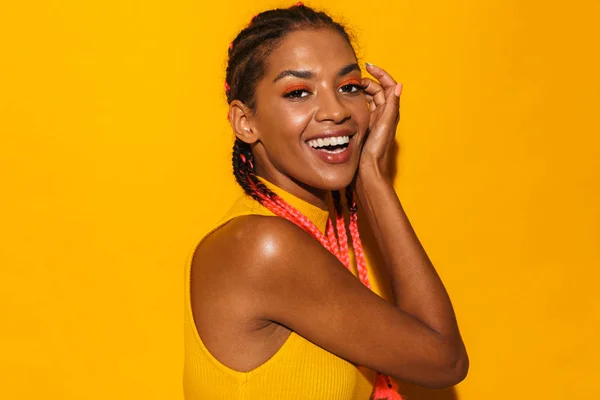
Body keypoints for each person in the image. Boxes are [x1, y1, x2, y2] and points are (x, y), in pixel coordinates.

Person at [183, 3, 469, 399]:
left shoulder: (314, 232)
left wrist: (370, 172)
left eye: (348, 87)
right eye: (298, 92)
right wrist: (374, 179)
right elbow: (445, 360)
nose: (335, 110)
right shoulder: (264, 246)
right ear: (245, 122)